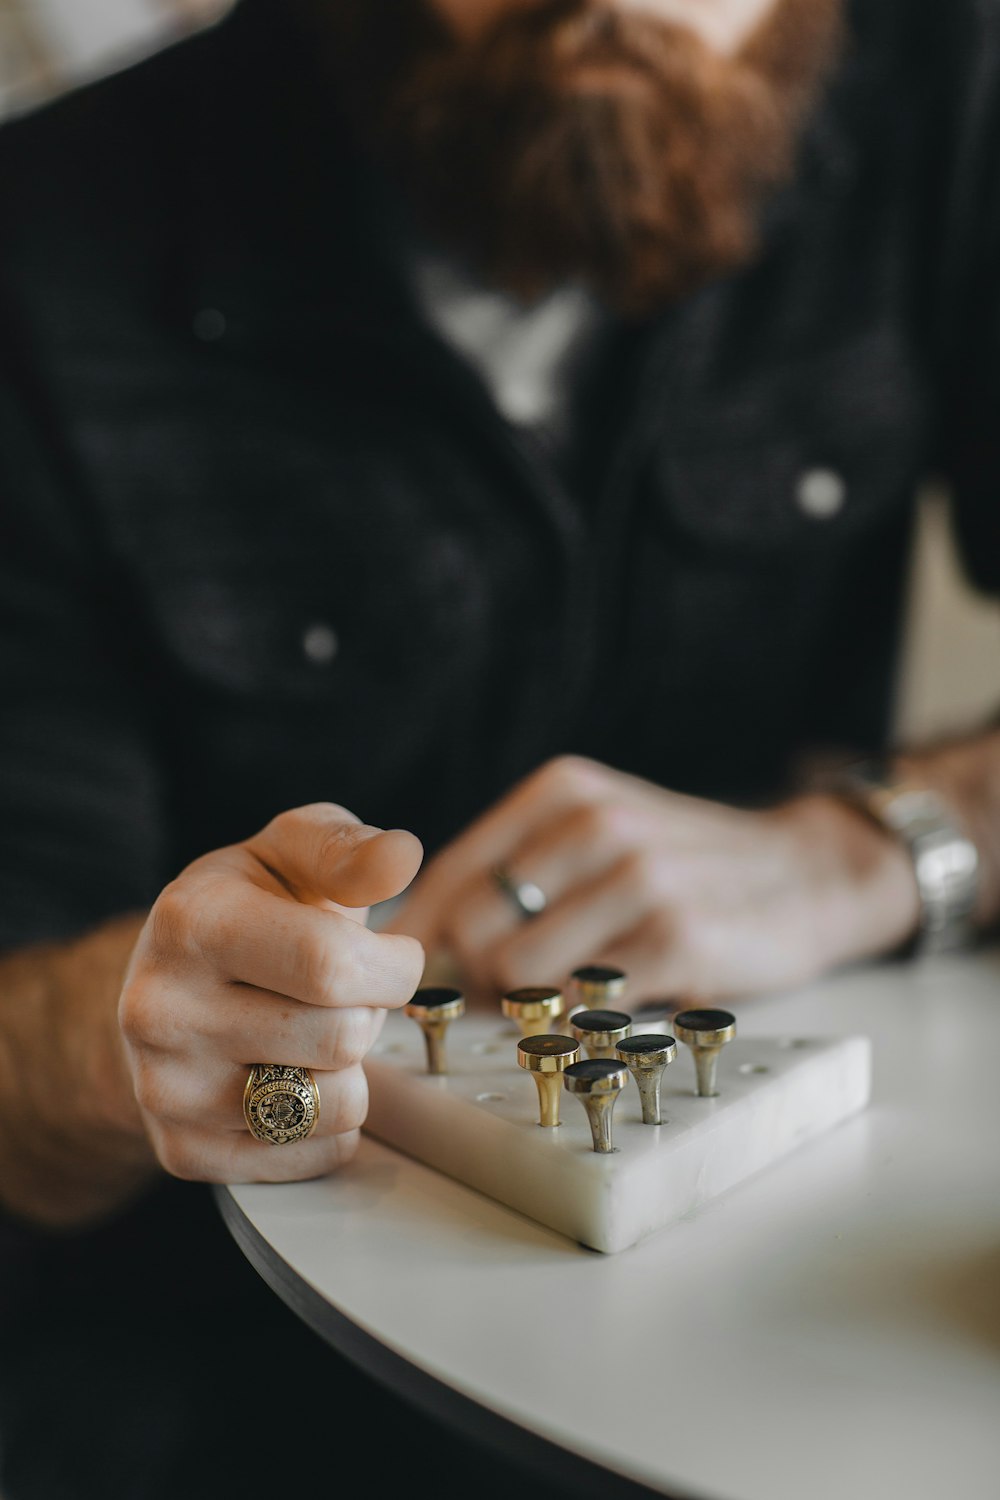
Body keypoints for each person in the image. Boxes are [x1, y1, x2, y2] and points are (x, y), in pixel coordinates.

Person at [0, 0, 997, 1495]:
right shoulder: (48, 236)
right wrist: (135, 1045)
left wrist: (873, 850)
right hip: (224, 1372)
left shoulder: (949, 82)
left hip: (793, 1294)